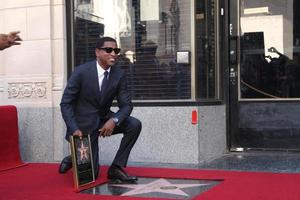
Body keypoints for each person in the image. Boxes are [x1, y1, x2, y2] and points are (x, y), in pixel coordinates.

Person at [59, 36, 141, 183]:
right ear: (97, 52)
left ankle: (116, 168)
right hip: (84, 126)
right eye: (108, 50)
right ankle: (73, 158)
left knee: (134, 124)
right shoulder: (80, 72)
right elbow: (66, 103)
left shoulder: (119, 74)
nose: (113, 53)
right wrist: (74, 128)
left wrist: (114, 120)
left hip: (104, 120)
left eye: (116, 50)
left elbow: (127, 105)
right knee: (92, 175)